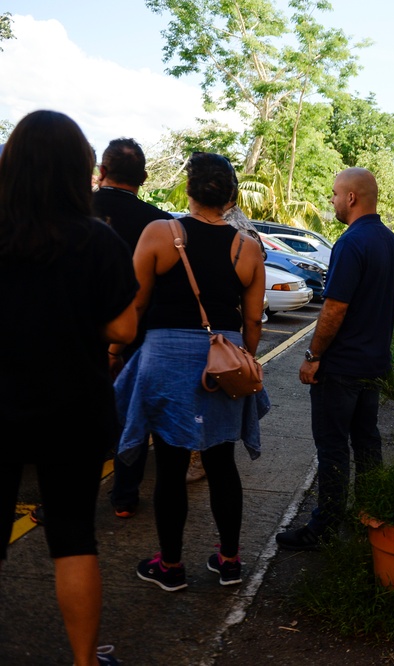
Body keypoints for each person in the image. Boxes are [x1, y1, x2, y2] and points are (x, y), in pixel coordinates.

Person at [0, 110, 137, 666]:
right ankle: (84, 661)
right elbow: (125, 328)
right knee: (74, 536)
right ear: (80, 169)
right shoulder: (96, 240)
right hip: (72, 405)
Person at [113, 152, 267, 591]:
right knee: (222, 460)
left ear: (189, 190)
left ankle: (171, 566)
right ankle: (230, 561)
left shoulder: (162, 233)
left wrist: (113, 348)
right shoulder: (248, 247)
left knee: (171, 461)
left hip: (165, 357)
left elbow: (136, 302)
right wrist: (242, 359)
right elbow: (252, 321)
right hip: (224, 358)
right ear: (232, 197)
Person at [275, 167, 394, 550]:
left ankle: (325, 527)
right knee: (367, 442)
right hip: (374, 364)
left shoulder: (351, 243)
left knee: (332, 448)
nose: (331, 200)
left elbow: (334, 308)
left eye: (334, 194)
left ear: (351, 198)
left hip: (342, 367)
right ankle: (371, 515)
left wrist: (313, 355)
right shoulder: (393, 243)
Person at [94, 138, 179, 515]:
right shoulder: (161, 224)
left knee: (77, 418)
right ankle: (124, 498)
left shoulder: (78, 211)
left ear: (102, 172)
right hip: (138, 336)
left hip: (77, 336)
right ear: (144, 178)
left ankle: (61, 501)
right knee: (133, 419)